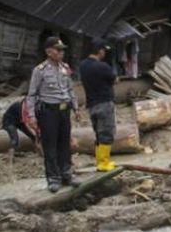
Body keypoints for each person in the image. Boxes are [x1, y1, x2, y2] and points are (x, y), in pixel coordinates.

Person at [26, 37, 81, 193]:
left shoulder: (65, 68)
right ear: (49, 51)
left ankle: (66, 174)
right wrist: (31, 116)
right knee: (50, 145)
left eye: (62, 49)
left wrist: (76, 109)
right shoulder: (40, 70)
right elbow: (31, 95)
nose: (61, 53)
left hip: (64, 110)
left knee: (64, 143)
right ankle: (53, 178)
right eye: (58, 50)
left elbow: (70, 90)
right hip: (48, 111)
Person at [78, 39, 117, 172]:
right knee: (106, 132)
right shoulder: (103, 66)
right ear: (100, 51)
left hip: (91, 104)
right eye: (104, 50)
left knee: (98, 134)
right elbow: (114, 79)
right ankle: (104, 162)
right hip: (105, 103)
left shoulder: (83, 66)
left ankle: (99, 161)